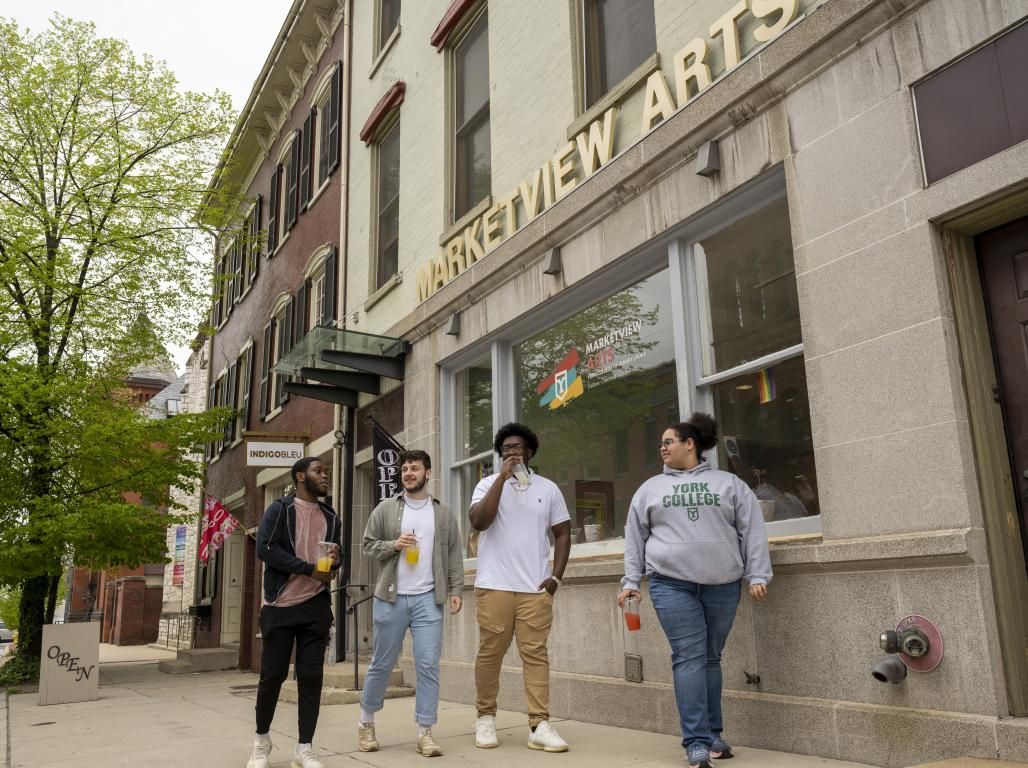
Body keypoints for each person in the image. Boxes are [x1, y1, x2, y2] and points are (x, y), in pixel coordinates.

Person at [618, 414, 771, 768]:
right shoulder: (650, 488)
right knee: (689, 656)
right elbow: (634, 537)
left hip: (723, 583)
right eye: (660, 443)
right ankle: (696, 742)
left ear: (690, 444)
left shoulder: (729, 484)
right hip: (670, 583)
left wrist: (758, 574)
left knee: (711, 658)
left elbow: (752, 530)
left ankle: (714, 734)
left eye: (669, 441)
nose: (662, 448)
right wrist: (630, 582)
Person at [469, 423, 572, 753]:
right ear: (500, 453)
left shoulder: (548, 489)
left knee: (536, 655)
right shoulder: (486, 484)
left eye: (519, 447)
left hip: (534, 588)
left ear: (530, 451)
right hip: (494, 585)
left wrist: (555, 577)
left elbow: (563, 533)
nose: (513, 452)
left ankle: (539, 724)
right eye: (507, 448)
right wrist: (502, 478)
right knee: (490, 654)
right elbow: (479, 522)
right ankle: (485, 717)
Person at [357, 449, 465, 757]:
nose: (408, 473)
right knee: (383, 663)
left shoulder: (443, 513)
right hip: (391, 598)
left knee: (428, 666)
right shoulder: (386, 509)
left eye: (414, 468)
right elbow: (367, 546)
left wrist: (456, 588)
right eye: (404, 468)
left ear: (427, 473)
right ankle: (366, 722)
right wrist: (394, 544)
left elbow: (454, 555)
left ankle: (425, 732)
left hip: (429, 599)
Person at [248, 457, 342, 768]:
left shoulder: (331, 515)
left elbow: (333, 560)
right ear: (301, 476)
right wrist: (308, 570)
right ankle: (262, 741)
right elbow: (266, 549)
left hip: (315, 606)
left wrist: (336, 561)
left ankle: (304, 748)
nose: (324, 475)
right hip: (280, 606)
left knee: (311, 677)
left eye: (326, 471)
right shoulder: (281, 509)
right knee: (272, 676)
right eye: (319, 471)